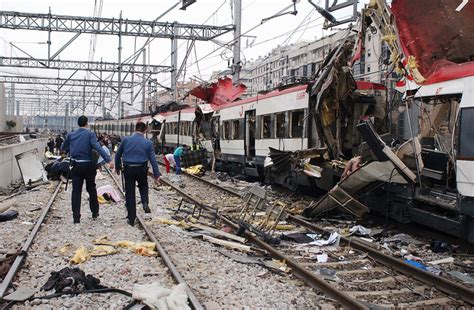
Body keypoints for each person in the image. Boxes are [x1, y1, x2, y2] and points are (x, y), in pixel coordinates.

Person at [62, 116, 113, 224]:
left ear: (78, 124)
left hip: (75, 166)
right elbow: (98, 147)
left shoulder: (71, 135)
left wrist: (69, 150)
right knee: (91, 189)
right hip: (89, 166)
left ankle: (76, 217)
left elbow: (63, 147)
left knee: (76, 191)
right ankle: (94, 212)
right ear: (86, 124)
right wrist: (108, 160)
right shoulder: (90, 134)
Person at [115, 122, 161, 226]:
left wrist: (117, 167)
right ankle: (145, 202)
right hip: (141, 169)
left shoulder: (126, 140)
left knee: (130, 193)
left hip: (128, 169)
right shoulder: (148, 143)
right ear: (145, 131)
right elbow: (153, 160)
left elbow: (118, 155)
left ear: (135, 129)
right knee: (143, 186)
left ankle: (131, 219)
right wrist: (156, 175)